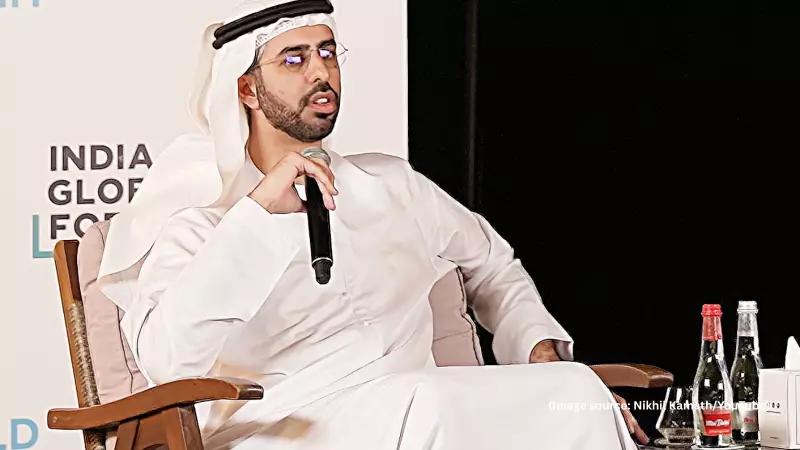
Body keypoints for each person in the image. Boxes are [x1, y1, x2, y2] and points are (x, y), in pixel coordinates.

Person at [95, 0, 647, 448]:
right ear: (246, 90)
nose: (320, 72)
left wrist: (537, 349)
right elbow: (168, 363)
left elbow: (492, 265)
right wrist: (256, 216)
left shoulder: (392, 184)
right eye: (294, 59)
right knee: (429, 401)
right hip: (278, 427)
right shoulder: (198, 224)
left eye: (327, 53)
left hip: (413, 404)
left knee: (575, 389)